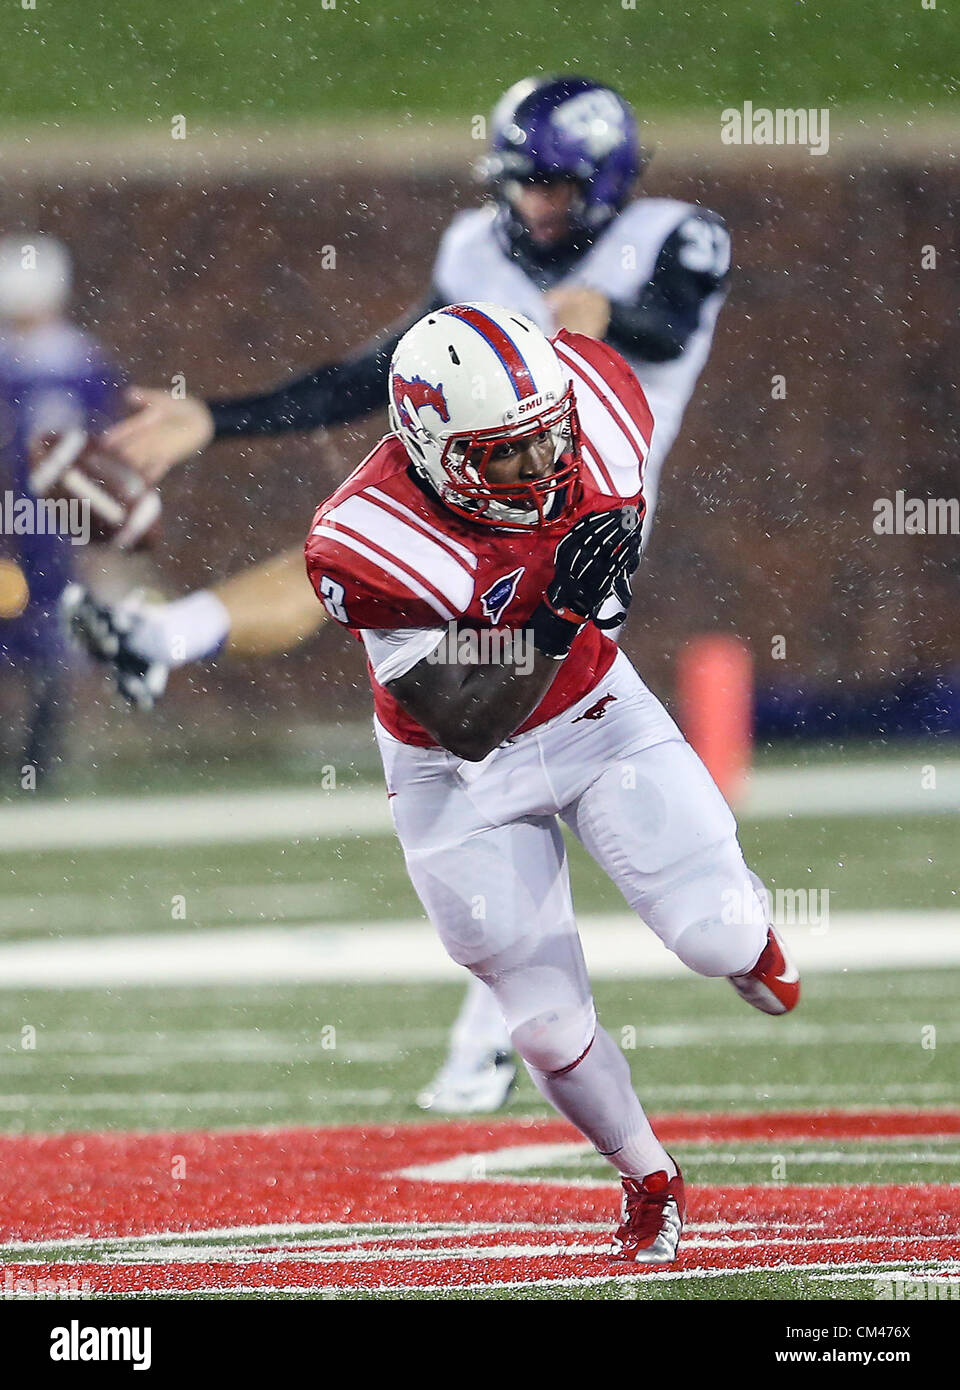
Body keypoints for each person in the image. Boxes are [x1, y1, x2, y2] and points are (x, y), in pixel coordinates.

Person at [69, 74, 732, 1106]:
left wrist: (606, 315)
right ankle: (170, 636)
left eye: (553, 186)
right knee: (361, 562)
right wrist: (217, 420)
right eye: (523, 185)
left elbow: (662, 325)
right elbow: (375, 371)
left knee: (528, 748)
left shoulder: (676, 235)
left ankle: (499, 1027)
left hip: (581, 507)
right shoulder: (477, 249)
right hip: (477, 491)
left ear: (602, 181)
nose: (534, 207)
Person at [303, 301, 799, 1264]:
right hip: (451, 762)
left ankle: (750, 940)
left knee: (715, 935)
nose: (543, 470)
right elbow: (468, 721)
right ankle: (648, 1175)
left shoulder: (603, 405)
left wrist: (572, 617)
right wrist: (561, 609)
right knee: (539, 1016)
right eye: (506, 458)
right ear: (433, 454)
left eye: (549, 440)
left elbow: (596, 358)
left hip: (594, 714)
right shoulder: (368, 541)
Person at [0, 234, 117, 786]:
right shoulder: (71, 360)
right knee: (35, 628)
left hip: (42, 518)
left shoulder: (75, 361)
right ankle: (31, 755)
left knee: (49, 630)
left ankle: (38, 755)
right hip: (34, 517)